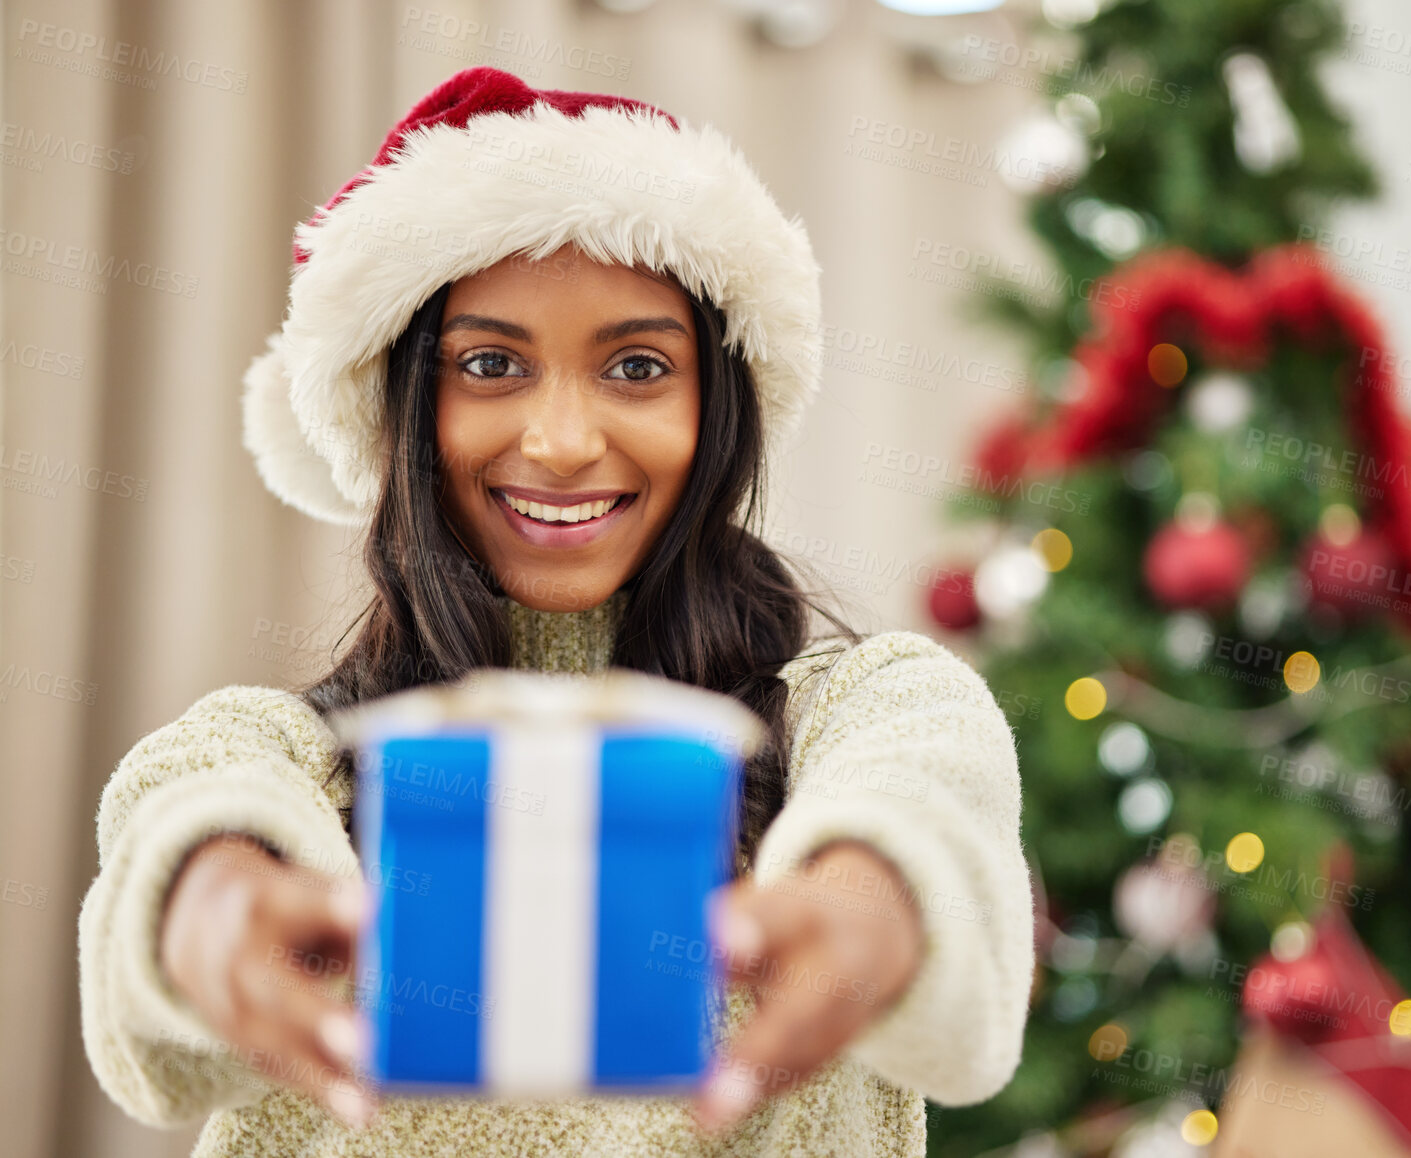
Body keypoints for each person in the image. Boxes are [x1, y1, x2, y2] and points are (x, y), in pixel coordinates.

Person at [77, 66, 1035, 1157]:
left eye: (636, 366)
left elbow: (926, 802)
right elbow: (183, 830)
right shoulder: (282, 756)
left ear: (715, 408)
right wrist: (206, 894)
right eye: (490, 364)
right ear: (400, 408)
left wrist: (873, 900)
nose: (564, 442)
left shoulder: (865, 709)